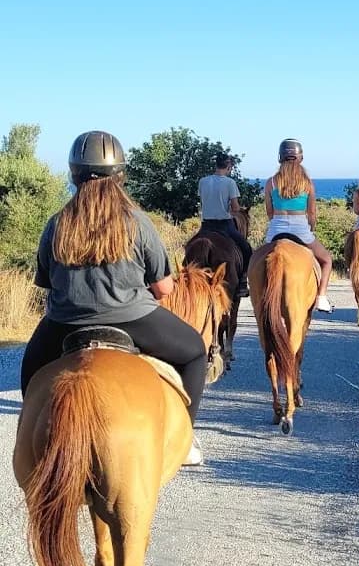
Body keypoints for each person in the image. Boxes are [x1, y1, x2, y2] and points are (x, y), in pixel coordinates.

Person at [20, 131, 209, 463]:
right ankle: (185, 441)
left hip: (65, 323)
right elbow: (164, 288)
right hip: (133, 318)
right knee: (195, 352)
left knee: (31, 372)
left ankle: (33, 441)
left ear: (74, 175)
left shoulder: (56, 224)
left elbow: (46, 283)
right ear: (120, 175)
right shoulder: (137, 222)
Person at [264, 138, 335, 312]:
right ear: (300, 158)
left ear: (280, 157)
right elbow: (311, 213)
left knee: (255, 261)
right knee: (326, 260)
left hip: (276, 230)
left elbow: (269, 212)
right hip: (300, 229)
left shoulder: (271, 182)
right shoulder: (307, 183)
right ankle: (322, 297)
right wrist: (311, 228)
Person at [198, 153, 252, 296]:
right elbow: (235, 208)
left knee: (189, 247)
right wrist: (236, 209)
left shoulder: (203, 181)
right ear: (228, 167)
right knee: (246, 248)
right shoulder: (230, 183)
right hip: (224, 225)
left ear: (216, 165)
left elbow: (204, 202)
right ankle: (242, 283)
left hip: (206, 225)